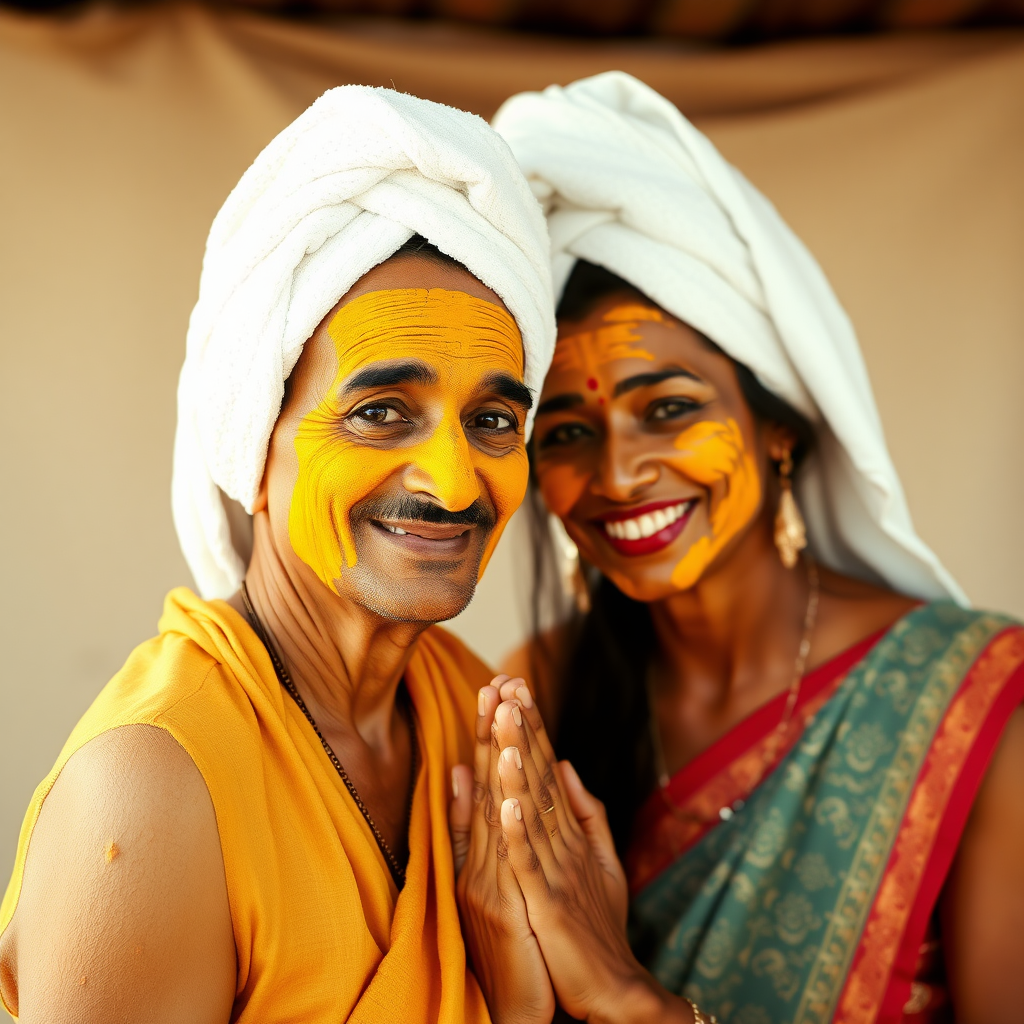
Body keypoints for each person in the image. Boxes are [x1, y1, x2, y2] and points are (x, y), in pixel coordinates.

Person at [448, 72, 1024, 1024]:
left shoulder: (974, 708)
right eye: (566, 432)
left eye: (668, 410)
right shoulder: (539, 697)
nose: (621, 475)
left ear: (778, 430)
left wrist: (636, 1001)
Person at [0, 85, 555, 1022]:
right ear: (254, 448)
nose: (457, 482)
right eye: (382, 413)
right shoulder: (150, 792)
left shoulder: (475, 723)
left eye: (492, 420)